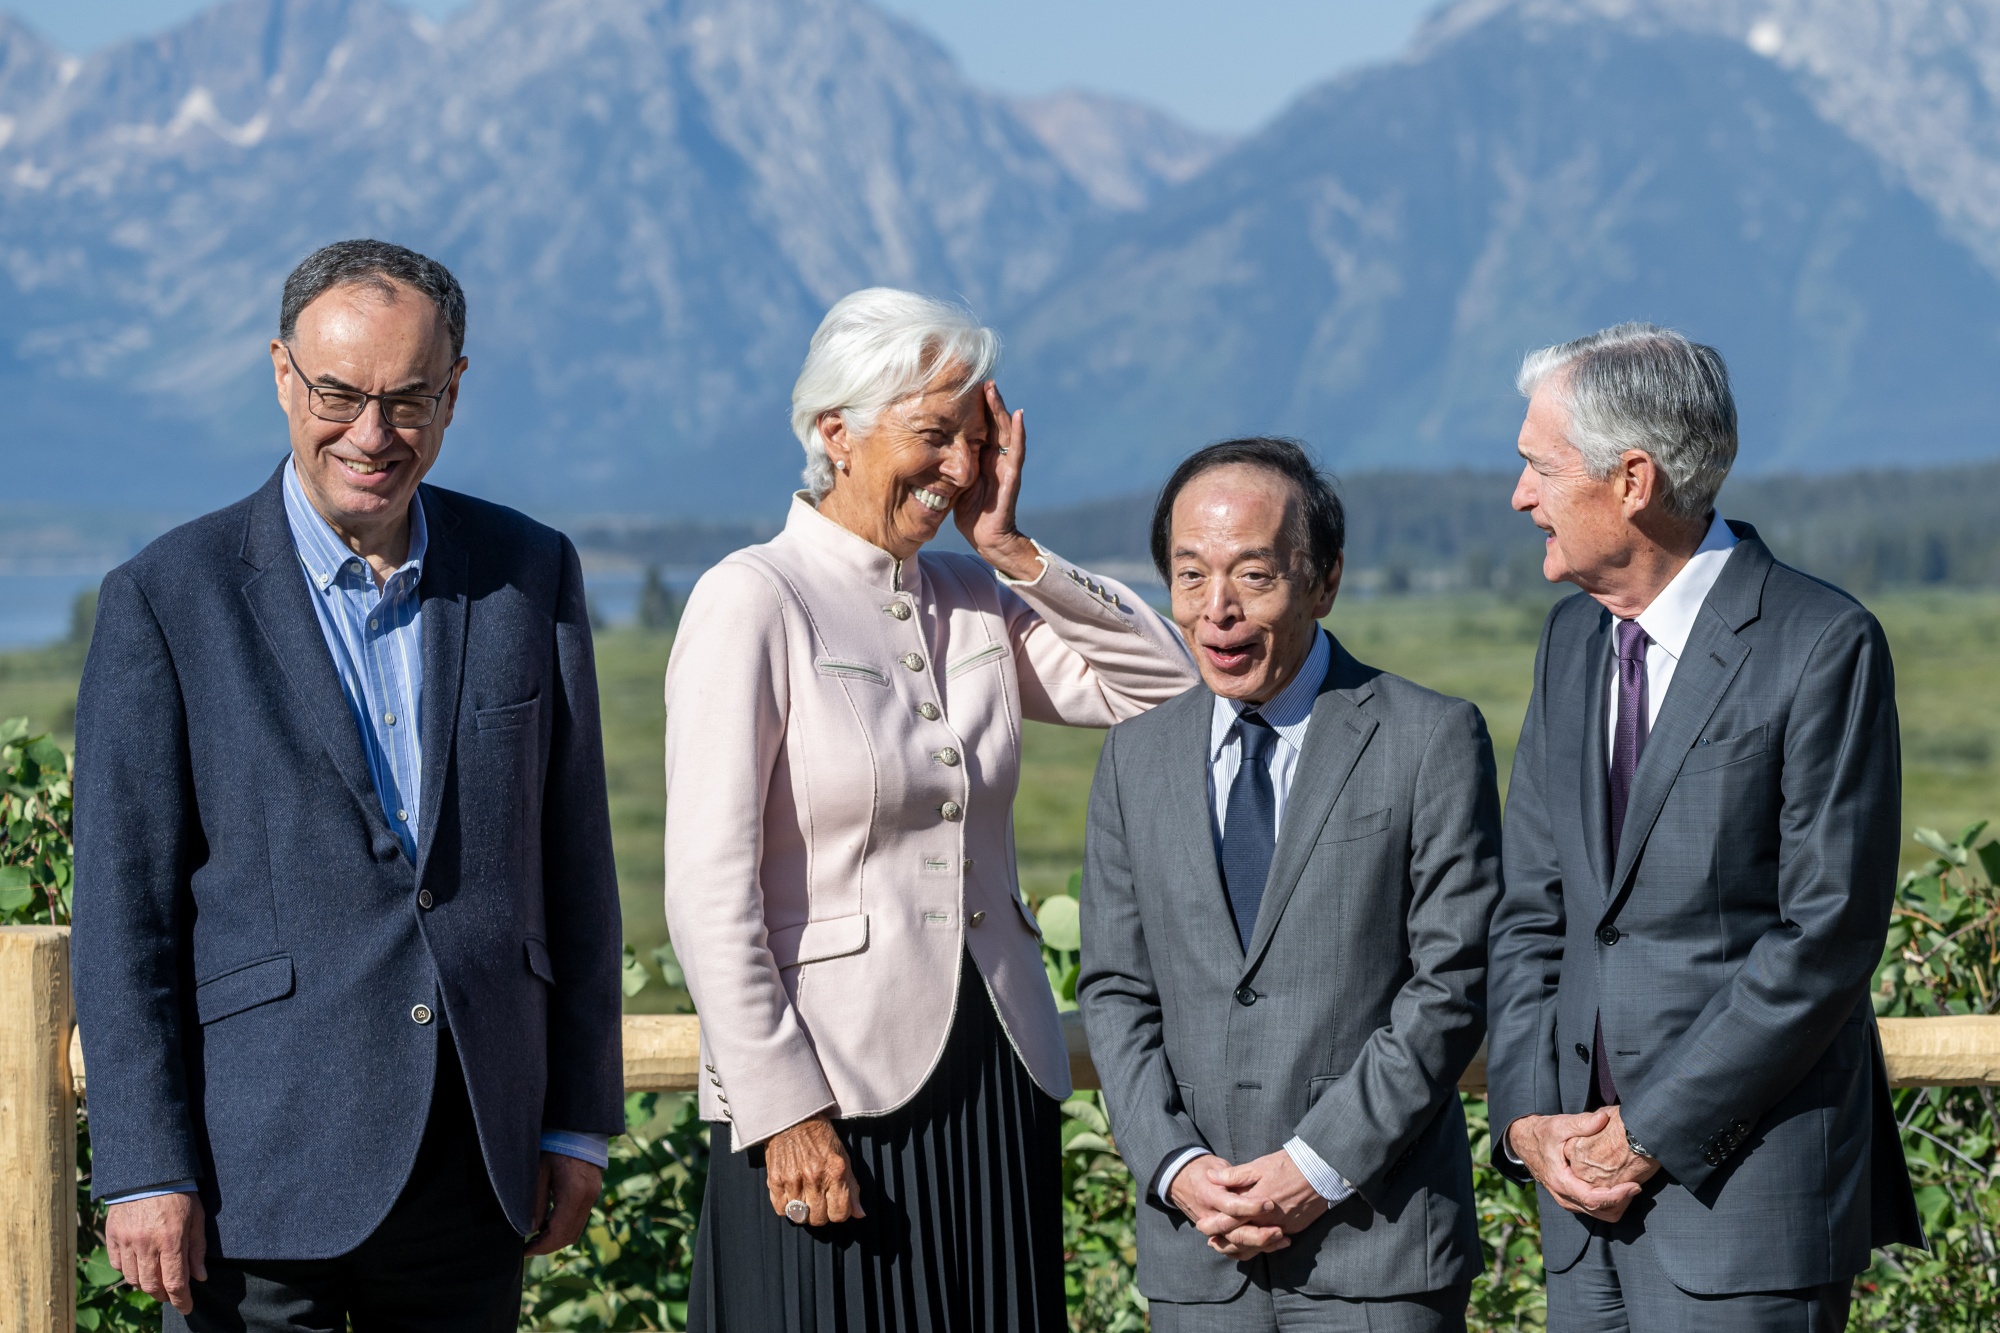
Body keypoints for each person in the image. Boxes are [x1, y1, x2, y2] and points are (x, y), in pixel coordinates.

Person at [70, 239, 625, 1330]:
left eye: (408, 399)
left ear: (454, 392)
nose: (372, 434)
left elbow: (574, 866)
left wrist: (575, 1121)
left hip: (477, 1161)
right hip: (253, 1180)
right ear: (282, 373)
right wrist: (141, 1168)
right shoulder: (166, 598)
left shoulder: (529, 573)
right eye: (338, 394)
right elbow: (122, 914)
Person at [662, 287, 1197, 1332]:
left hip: (994, 1071)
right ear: (835, 432)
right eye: (932, 435)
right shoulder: (750, 598)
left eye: (975, 438)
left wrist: (1011, 549)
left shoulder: (974, 594)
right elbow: (705, 893)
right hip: (828, 1095)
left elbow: (1167, 690)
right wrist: (781, 1111)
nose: (957, 468)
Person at [1486, 324, 1924, 1332]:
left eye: (1536, 467)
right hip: (1574, 1218)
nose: (1519, 497)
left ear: (1630, 479)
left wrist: (1646, 1131)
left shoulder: (1819, 643)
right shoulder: (1567, 643)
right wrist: (1525, 1120)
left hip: (1742, 1209)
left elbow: (1825, 937)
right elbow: (1530, 909)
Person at [1077, 437, 1503, 1332]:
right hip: (1199, 1255)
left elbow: (1452, 985)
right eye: (1190, 576)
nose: (1216, 611)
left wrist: (1315, 1165)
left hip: (1379, 1249)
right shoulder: (1134, 758)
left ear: (1325, 580)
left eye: (1254, 577)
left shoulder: (1430, 739)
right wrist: (1175, 1167)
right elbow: (1115, 990)